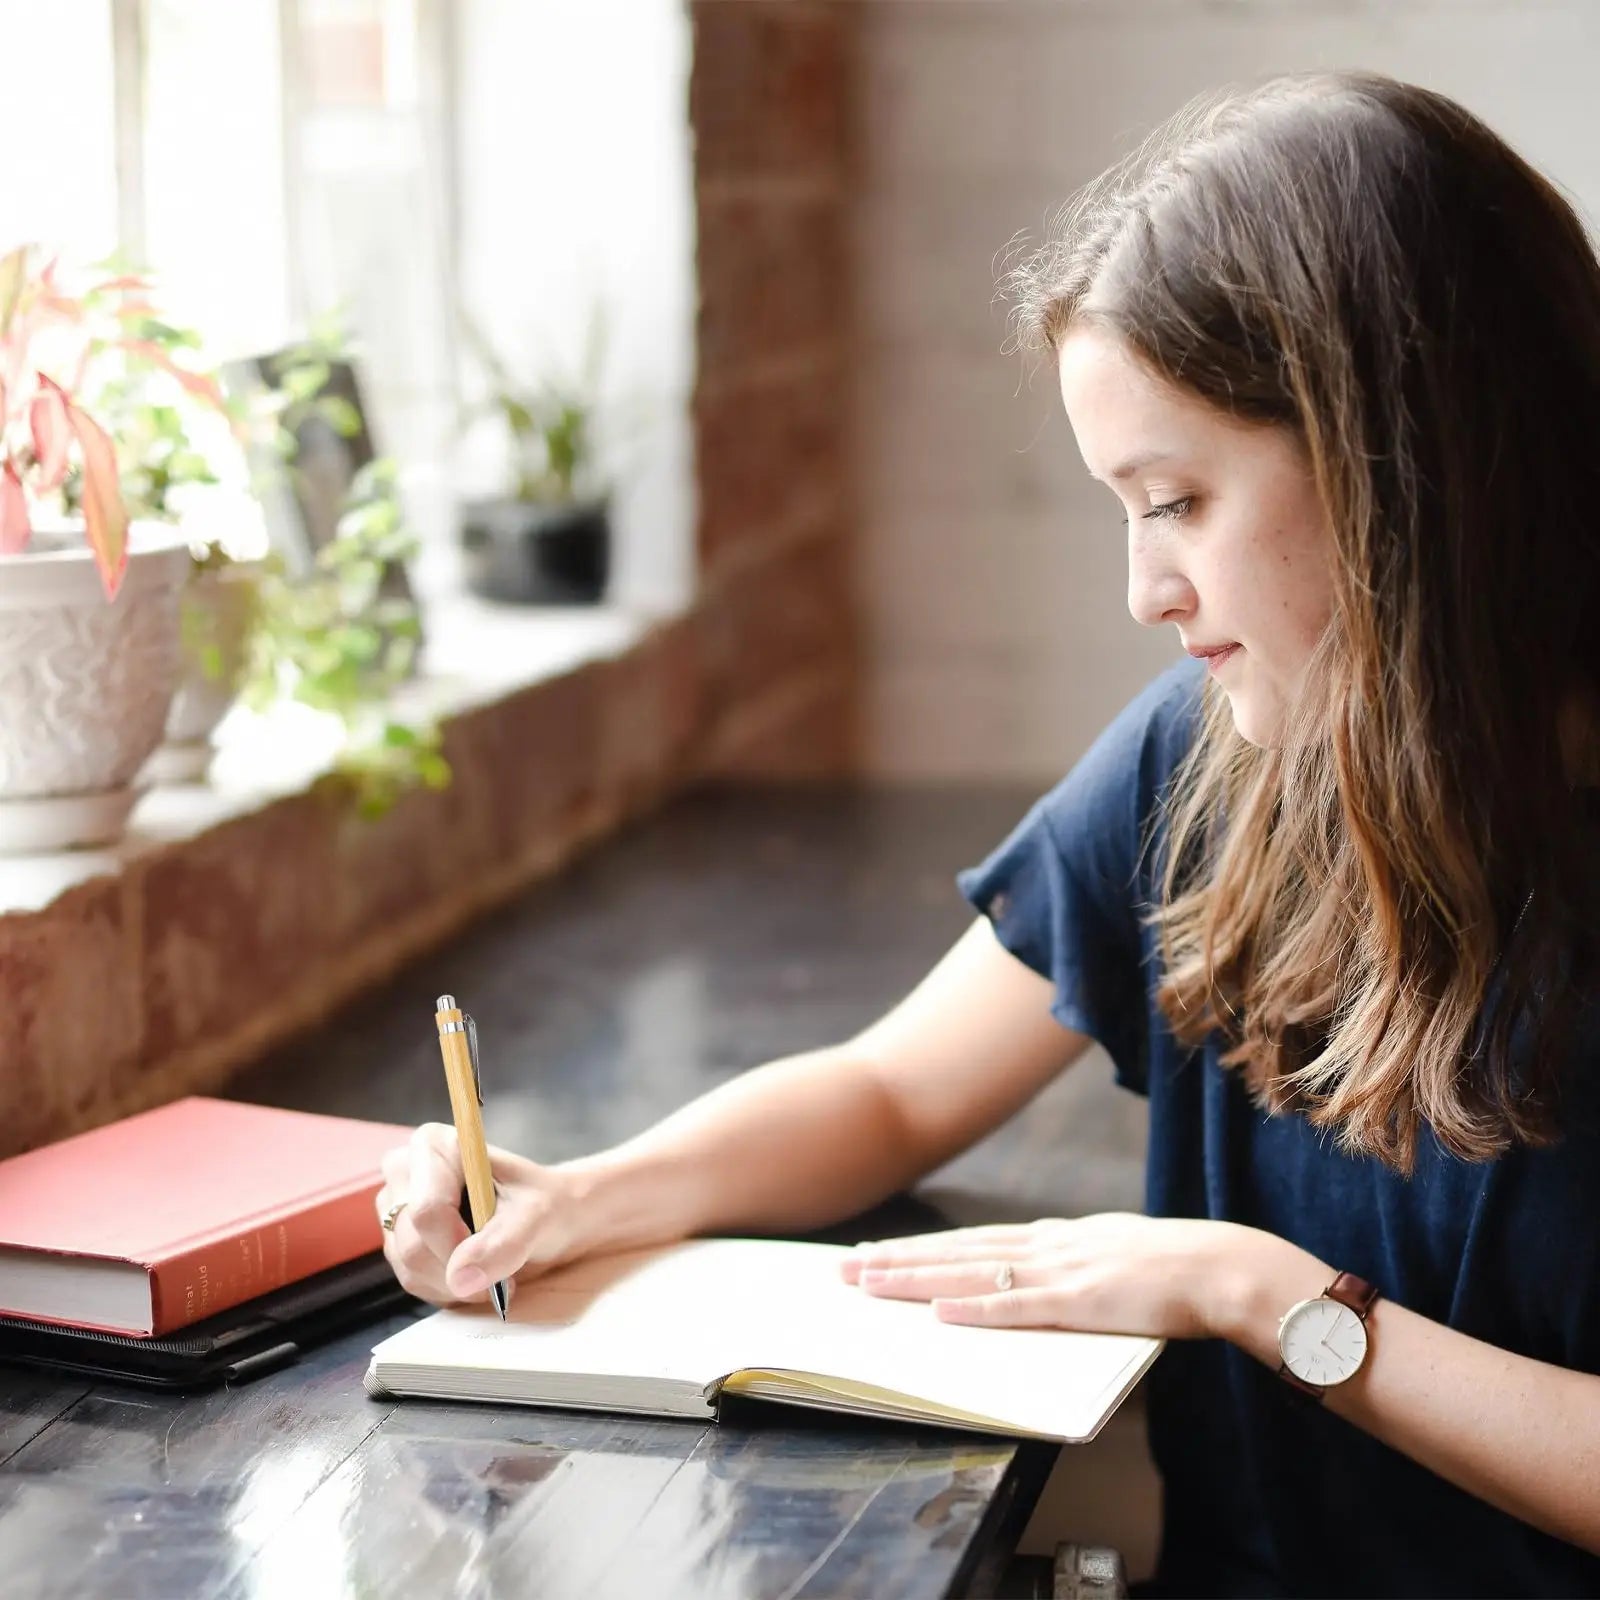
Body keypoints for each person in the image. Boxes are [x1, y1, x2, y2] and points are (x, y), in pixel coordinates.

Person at [377, 71, 1600, 1597]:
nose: (1143, 590)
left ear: (1398, 465)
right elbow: (896, 1089)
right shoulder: (1210, 761)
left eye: (1177, 500)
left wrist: (1267, 1295)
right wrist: (578, 1200)